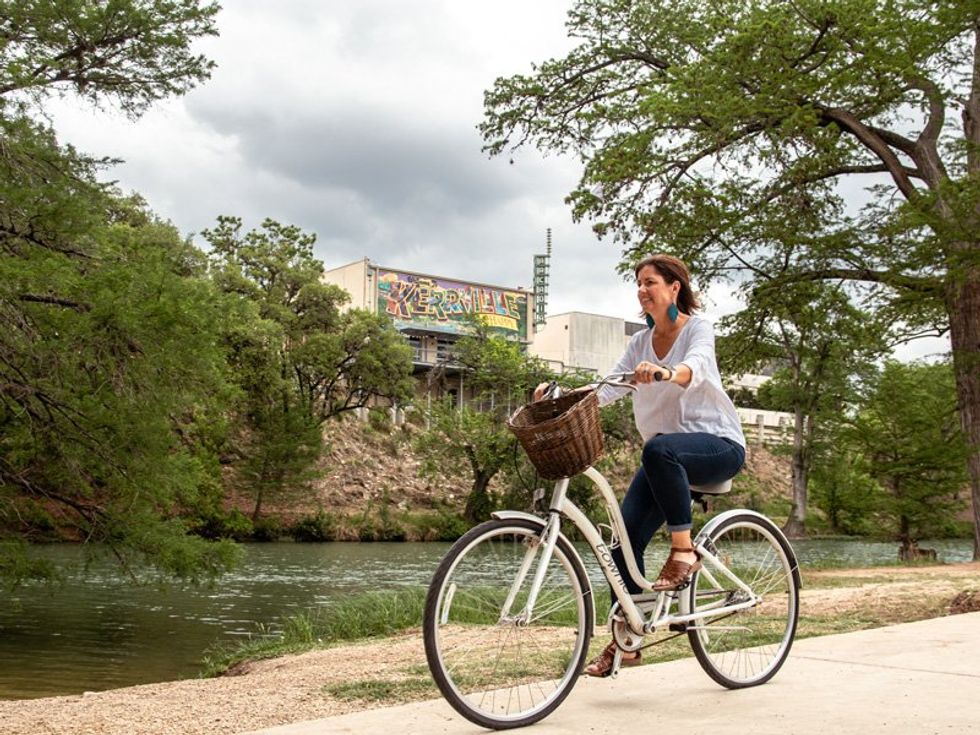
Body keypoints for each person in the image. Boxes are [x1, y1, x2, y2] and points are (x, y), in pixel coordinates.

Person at [535, 254, 745, 678]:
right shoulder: (639, 344)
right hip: (666, 459)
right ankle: (628, 638)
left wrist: (668, 372)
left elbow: (696, 368)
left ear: (674, 288)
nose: (642, 290)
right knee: (621, 545)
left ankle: (683, 552)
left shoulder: (697, 329)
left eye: (650, 282)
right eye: (638, 283)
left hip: (718, 446)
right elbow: (609, 386)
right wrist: (561, 397)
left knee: (658, 449)